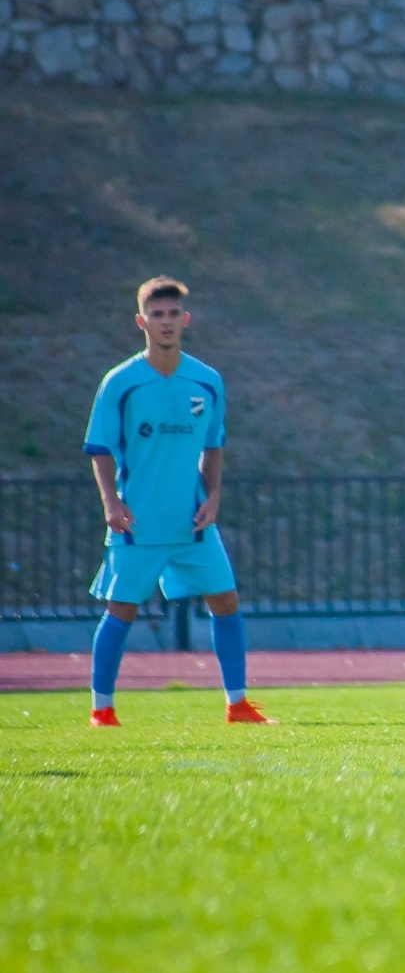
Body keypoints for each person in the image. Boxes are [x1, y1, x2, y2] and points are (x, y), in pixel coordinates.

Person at [83, 277, 273, 727]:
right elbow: (99, 449)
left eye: (173, 314)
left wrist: (214, 497)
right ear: (141, 321)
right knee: (121, 609)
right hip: (139, 522)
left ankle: (238, 704)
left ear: (185, 320)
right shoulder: (121, 382)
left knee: (226, 602)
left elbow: (215, 445)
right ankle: (101, 709)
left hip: (191, 522)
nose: (165, 322)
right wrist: (111, 503)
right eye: (157, 314)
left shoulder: (206, 381)